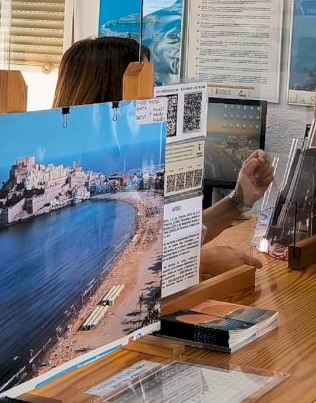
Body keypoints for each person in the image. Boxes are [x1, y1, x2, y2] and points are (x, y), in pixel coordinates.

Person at [52, 36, 275, 273]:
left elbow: (171, 237)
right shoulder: (80, 173)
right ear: (113, 92)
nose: (156, 94)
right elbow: (92, 270)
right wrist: (200, 262)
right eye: (150, 83)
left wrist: (239, 199)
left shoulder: (125, 157)